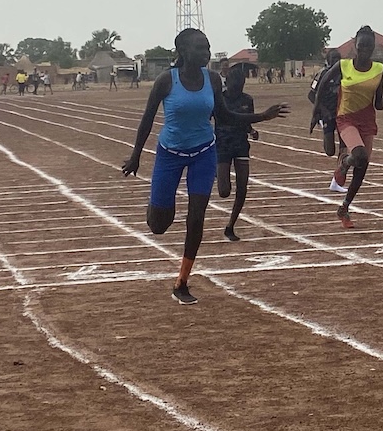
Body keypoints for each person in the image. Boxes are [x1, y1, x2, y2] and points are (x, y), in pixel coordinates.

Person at [123, 28, 288, 304]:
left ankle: (182, 282)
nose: (207, 53)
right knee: (159, 225)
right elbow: (147, 119)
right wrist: (136, 155)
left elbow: (223, 116)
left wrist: (261, 117)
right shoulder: (166, 81)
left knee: (196, 217)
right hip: (170, 154)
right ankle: (156, 206)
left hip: (203, 152)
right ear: (184, 51)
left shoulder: (212, 80)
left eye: (208, 47)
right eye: (200, 48)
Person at [311, 27, 383, 228]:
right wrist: (316, 112)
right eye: (361, 45)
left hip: (367, 121)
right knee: (360, 155)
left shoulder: (380, 70)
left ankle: (344, 208)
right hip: (346, 118)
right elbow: (322, 85)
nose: (365, 49)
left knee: (362, 167)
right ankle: (343, 165)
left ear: (373, 47)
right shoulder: (343, 65)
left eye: (369, 46)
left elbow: (376, 103)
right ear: (355, 46)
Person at [215, 65, 260, 242]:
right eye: (236, 83)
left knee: (242, 187)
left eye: (242, 83)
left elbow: (247, 119)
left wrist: (251, 131)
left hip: (241, 145)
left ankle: (230, 226)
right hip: (222, 145)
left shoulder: (247, 100)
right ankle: (216, 172)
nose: (239, 87)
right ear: (228, 82)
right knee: (224, 191)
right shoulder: (219, 99)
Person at [308, 49, 346, 190]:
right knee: (330, 150)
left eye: (338, 58)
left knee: (344, 146)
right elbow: (311, 95)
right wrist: (322, 110)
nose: (336, 61)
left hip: (342, 114)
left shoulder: (345, 74)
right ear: (328, 60)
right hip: (327, 114)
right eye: (333, 58)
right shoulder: (323, 74)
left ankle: (338, 179)